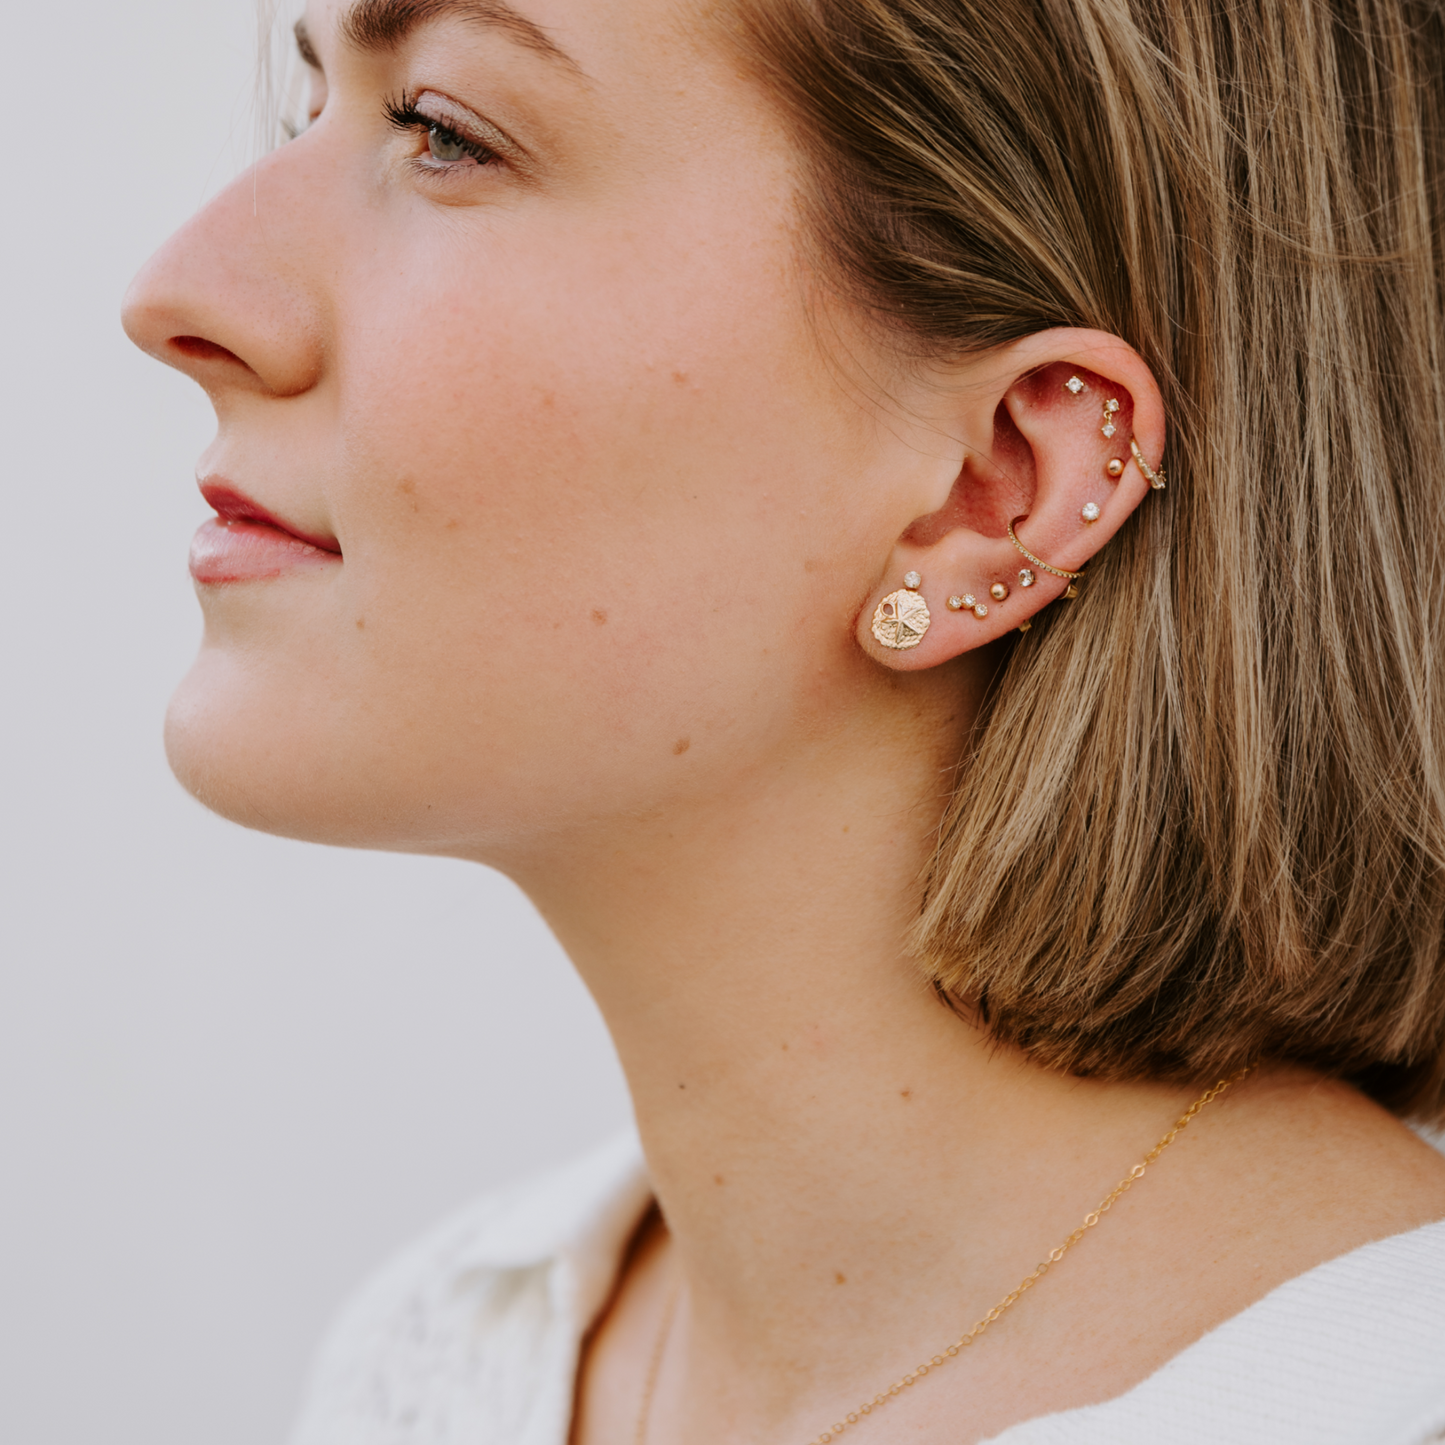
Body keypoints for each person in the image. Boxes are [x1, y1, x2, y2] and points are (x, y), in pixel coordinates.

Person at [122, 0, 1445, 1439]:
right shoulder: (445, 1361)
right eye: (309, 105)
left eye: (445, 130)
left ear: (994, 489)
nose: (179, 294)